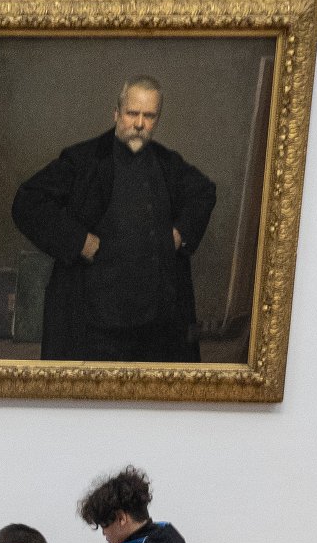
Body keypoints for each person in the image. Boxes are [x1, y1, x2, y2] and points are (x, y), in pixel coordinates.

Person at [12, 75, 217, 362]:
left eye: (149, 116)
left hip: (154, 325)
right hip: (94, 322)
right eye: (132, 113)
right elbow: (27, 201)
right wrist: (78, 241)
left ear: (157, 119)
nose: (139, 124)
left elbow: (204, 192)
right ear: (117, 114)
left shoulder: (167, 163)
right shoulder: (84, 159)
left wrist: (179, 233)